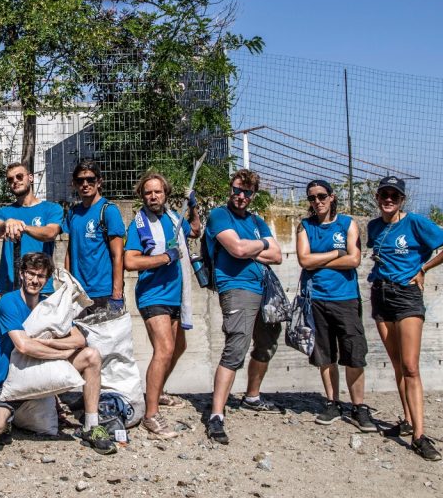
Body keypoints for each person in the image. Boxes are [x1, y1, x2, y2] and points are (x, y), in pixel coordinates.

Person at [0, 252, 115, 455]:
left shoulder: (49, 306)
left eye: (40, 276)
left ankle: (91, 427)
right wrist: (62, 354)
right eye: (31, 273)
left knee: (92, 355)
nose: (35, 280)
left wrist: (52, 344)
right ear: (22, 274)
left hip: (39, 378)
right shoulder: (8, 301)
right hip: (5, 386)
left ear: (47, 279)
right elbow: (24, 346)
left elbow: (79, 340)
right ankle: (7, 421)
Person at [367, 175, 443, 461]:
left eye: (393, 196)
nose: (388, 199)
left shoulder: (416, 222)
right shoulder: (373, 227)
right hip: (381, 295)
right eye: (384, 194)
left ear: (402, 200)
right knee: (397, 363)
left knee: (411, 366)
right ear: (378, 198)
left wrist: (423, 268)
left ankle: (420, 436)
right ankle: (407, 420)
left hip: (406, 297)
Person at [204, 169, 283, 445]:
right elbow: (236, 249)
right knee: (236, 347)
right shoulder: (219, 216)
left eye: (247, 192)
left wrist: (254, 245)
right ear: (231, 189)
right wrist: (260, 244)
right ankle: (216, 415)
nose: (241, 196)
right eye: (237, 190)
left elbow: (278, 256)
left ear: (253, 195)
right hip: (236, 288)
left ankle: (252, 396)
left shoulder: (257, 220)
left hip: (264, 288)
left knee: (268, 342)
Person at [124, 171, 201, 439]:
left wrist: (193, 205)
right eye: (148, 192)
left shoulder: (173, 218)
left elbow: (194, 230)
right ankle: (150, 415)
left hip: (176, 294)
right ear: (141, 196)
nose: (153, 196)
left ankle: (157, 393)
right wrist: (163, 258)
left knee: (179, 347)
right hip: (153, 294)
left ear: (165, 194)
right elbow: (130, 261)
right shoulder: (139, 225)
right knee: (164, 349)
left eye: (157, 191)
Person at [296, 180, 375, 432]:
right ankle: (332, 402)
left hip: (345, 298)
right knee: (325, 355)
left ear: (331, 197)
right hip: (316, 298)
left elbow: (354, 260)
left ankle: (359, 406)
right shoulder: (305, 226)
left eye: (321, 196)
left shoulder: (347, 223)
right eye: (311, 198)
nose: (316, 201)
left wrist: (319, 261)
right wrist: (335, 254)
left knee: (354, 354)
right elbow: (304, 260)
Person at [62, 159, 126, 313]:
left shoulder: (109, 211)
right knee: (77, 337)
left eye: (90, 179)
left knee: (105, 337)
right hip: (78, 294)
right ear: (74, 184)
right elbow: (70, 251)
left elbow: (118, 255)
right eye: (80, 180)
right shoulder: (73, 212)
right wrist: (68, 286)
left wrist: (116, 294)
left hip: (103, 292)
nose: (85, 184)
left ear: (99, 182)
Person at [0, 162, 63, 296]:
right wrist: (7, 224)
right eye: (10, 179)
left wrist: (23, 227)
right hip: (9, 288)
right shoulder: (2, 212)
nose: (15, 181)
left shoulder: (52, 209)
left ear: (30, 178)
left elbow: (51, 233)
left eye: (19, 176)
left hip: (41, 287)